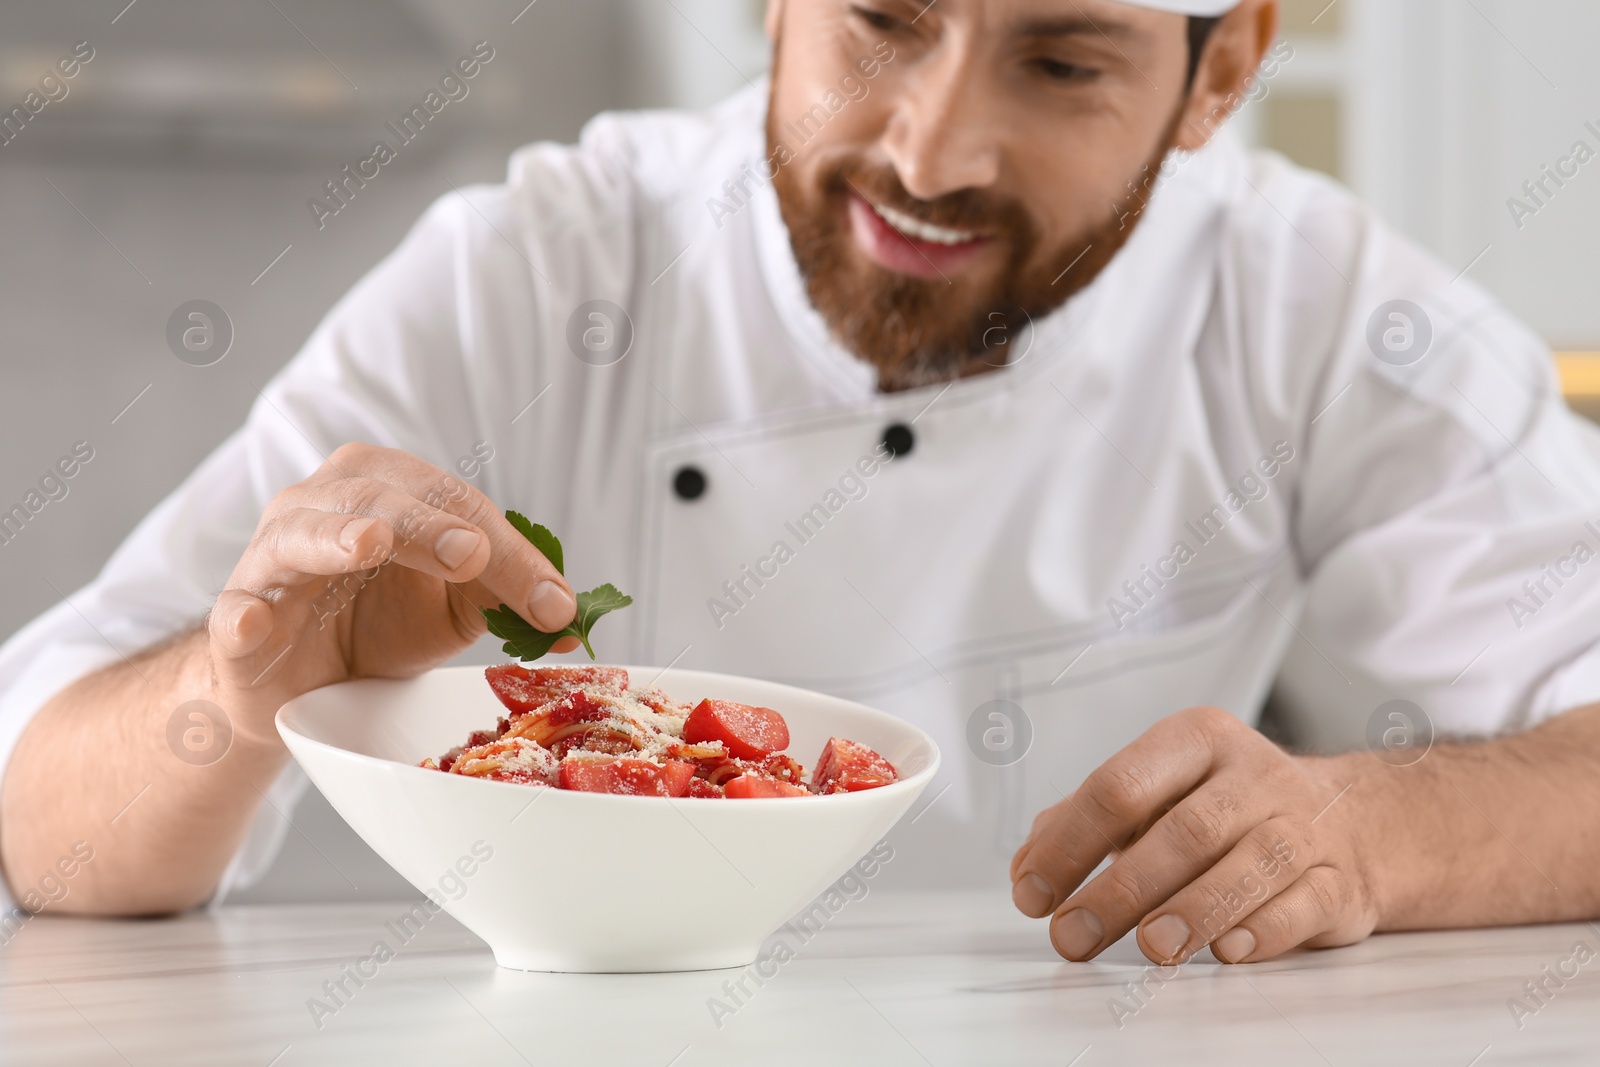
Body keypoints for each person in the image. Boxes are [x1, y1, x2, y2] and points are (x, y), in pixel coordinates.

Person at [5, 0, 1600, 968]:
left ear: (1222, 71)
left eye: (1059, 62)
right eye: (884, 19)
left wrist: (1370, 835)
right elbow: (39, 826)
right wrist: (235, 685)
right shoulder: (536, 272)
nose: (931, 150)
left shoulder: (1311, 305)